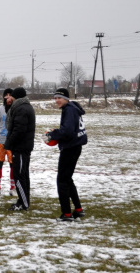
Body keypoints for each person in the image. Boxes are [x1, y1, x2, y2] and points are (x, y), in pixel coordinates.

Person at [45, 88, 87, 222]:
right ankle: (78, 209)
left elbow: (67, 131)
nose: (57, 100)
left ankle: (67, 214)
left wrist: (53, 134)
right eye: (55, 98)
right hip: (75, 146)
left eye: (59, 98)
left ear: (66, 99)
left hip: (70, 148)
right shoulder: (72, 107)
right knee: (67, 179)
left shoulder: (69, 109)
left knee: (62, 180)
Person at [4, 87, 36, 211]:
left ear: (15, 96)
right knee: (23, 175)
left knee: (19, 176)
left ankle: (23, 203)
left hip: (20, 148)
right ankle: (22, 200)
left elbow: (18, 130)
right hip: (23, 146)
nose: (9, 98)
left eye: (11, 96)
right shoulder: (24, 106)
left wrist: (9, 143)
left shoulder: (21, 108)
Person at [0, 88, 16, 197]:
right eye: (5, 95)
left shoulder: (16, 109)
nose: (7, 96)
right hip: (0, 141)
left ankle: (13, 187)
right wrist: (0, 134)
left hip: (12, 142)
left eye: (10, 95)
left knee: (13, 165)